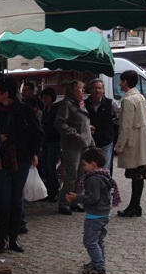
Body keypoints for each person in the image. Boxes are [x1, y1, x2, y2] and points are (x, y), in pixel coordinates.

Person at [0, 77, 44, 252]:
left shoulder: (24, 109)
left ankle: (13, 239)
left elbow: (38, 133)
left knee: (16, 200)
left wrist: (34, 153)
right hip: (1, 162)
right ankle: (1, 240)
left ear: (6, 93)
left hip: (20, 160)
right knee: (3, 200)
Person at [65, 147, 121, 274]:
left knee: (90, 241)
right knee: (98, 240)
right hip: (104, 214)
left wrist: (76, 197)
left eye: (85, 164)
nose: (83, 167)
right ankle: (98, 261)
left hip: (95, 215)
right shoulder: (104, 175)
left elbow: (93, 198)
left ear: (93, 164)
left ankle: (99, 266)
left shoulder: (93, 179)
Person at [114, 70, 146, 217]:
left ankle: (134, 206)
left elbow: (126, 126)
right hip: (144, 138)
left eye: (121, 81)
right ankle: (135, 205)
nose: (119, 84)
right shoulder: (140, 96)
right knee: (140, 175)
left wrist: (119, 146)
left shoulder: (128, 100)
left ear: (125, 82)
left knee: (136, 174)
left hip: (135, 141)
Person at [55, 81, 94, 215]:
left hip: (84, 142)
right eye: (80, 89)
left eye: (83, 89)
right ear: (72, 90)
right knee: (71, 175)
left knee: (81, 174)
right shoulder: (67, 104)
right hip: (72, 144)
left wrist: (88, 130)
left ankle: (76, 200)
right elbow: (59, 123)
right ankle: (64, 202)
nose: (83, 91)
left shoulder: (81, 103)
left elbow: (83, 121)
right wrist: (74, 133)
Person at [86, 79, 119, 175]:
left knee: (105, 168)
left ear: (103, 90)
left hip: (106, 141)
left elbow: (120, 115)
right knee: (90, 168)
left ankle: (106, 188)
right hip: (90, 142)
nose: (97, 91)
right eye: (95, 88)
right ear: (90, 90)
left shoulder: (110, 103)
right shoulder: (84, 104)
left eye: (99, 88)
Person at [39, 88, 61, 202]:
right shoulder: (45, 109)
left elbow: (56, 125)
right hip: (46, 141)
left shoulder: (57, 108)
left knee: (51, 166)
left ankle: (55, 190)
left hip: (54, 141)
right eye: (43, 98)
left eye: (46, 97)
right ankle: (49, 189)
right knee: (45, 166)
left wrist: (45, 126)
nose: (44, 100)